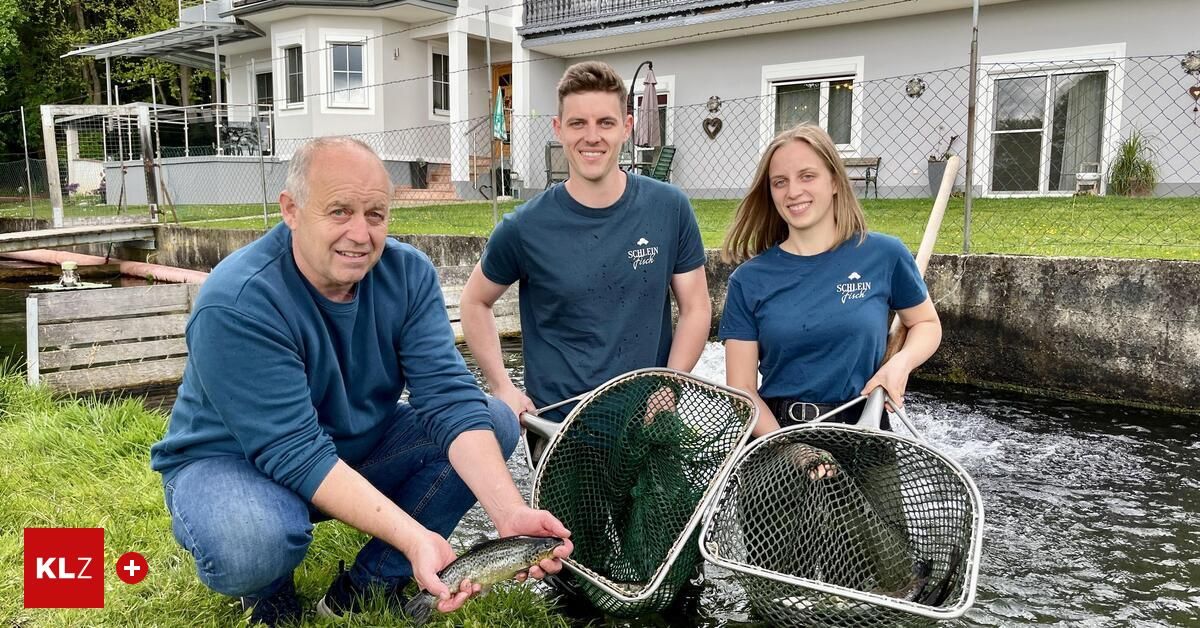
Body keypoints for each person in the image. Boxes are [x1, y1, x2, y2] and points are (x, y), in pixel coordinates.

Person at [149, 136, 571, 627]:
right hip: (233, 460)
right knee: (251, 543)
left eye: (375, 214)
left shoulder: (408, 274)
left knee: (491, 419)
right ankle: (269, 587)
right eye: (339, 211)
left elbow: (450, 400)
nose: (360, 233)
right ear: (291, 209)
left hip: (352, 446)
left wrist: (509, 513)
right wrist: (415, 536)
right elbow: (294, 453)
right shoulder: (238, 300)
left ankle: (371, 582)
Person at [460, 60, 710, 426]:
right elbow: (474, 300)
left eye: (605, 123)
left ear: (626, 128)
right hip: (559, 427)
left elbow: (696, 307)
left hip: (647, 422)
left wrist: (670, 383)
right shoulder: (525, 227)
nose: (592, 136)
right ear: (559, 129)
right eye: (578, 123)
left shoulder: (669, 208)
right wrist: (502, 385)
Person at [719, 124, 942, 437]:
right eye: (780, 182)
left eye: (807, 176)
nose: (793, 191)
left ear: (835, 181)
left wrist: (900, 364)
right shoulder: (748, 281)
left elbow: (926, 324)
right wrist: (789, 451)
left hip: (868, 433)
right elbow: (742, 393)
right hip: (778, 436)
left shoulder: (884, 255)